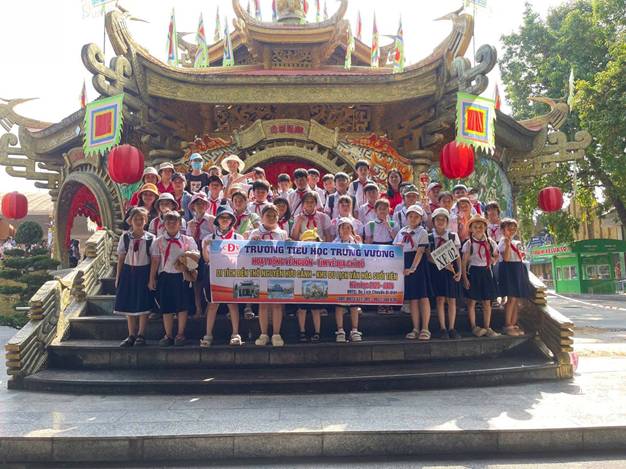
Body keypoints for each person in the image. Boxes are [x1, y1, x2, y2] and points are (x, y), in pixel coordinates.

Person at [148, 211, 200, 347]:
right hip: (165, 276)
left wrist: (186, 262)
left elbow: (195, 257)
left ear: (179, 224)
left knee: (182, 306)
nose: (171, 224)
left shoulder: (187, 240)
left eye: (174, 222)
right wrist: (152, 278)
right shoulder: (158, 241)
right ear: (164, 224)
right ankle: (168, 334)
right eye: (168, 222)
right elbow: (155, 261)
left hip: (182, 277)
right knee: (166, 307)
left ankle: (180, 334)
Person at [201, 206, 245, 347]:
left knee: (232, 304)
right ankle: (208, 335)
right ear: (217, 220)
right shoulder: (209, 238)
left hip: (232, 275)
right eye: (222, 217)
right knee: (213, 304)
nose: (225, 220)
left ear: (232, 220)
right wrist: (205, 247)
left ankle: (235, 334)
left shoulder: (238, 238)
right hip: (215, 275)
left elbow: (243, 258)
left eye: (228, 218)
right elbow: (206, 259)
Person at [114, 207, 155, 347]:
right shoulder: (125, 237)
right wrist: (118, 276)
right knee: (129, 303)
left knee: (143, 303)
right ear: (130, 221)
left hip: (144, 272)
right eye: (136, 219)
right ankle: (131, 334)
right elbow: (121, 258)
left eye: (141, 219)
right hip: (128, 272)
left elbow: (153, 259)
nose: (138, 221)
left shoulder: (151, 238)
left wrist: (151, 278)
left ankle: (141, 334)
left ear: (146, 221)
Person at [249, 205, 289, 347]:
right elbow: (246, 253)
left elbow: (288, 255)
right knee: (263, 304)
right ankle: (264, 334)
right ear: (262, 217)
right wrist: (251, 243)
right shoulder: (255, 233)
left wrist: (290, 246)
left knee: (277, 304)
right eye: (268, 215)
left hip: (278, 271)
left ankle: (276, 334)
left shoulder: (283, 233)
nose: (271, 218)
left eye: (274, 215)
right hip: (260, 272)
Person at [394, 205, 432, 341]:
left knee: (423, 297)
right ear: (406, 218)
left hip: (418, 265)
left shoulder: (422, 232)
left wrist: (413, 268)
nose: (413, 219)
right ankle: (415, 328)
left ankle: (425, 328)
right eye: (410, 216)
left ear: (421, 219)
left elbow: (420, 251)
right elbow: (395, 249)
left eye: (416, 216)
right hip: (405, 264)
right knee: (413, 299)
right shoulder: (402, 231)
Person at [462, 215, 500, 338]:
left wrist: (492, 258)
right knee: (472, 302)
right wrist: (465, 278)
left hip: (486, 272)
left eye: (481, 226)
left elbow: (496, 256)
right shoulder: (469, 243)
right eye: (475, 227)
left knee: (487, 302)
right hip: (474, 272)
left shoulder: (490, 242)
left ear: (485, 228)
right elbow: (464, 262)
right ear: (471, 229)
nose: (478, 229)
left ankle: (487, 327)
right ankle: (474, 326)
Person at [428, 208, 462, 339]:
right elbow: (428, 257)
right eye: (438, 219)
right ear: (433, 221)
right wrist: (442, 263)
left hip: (451, 271)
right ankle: (443, 328)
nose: (440, 221)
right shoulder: (429, 237)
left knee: (452, 299)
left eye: (443, 219)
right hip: (436, 271)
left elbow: (457, 255)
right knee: (440, 299)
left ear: (447, 222)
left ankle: (452, 328)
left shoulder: (453, 236)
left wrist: (459, 271)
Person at [498, 218, 532, 336]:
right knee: (511, 298)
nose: (512, 230)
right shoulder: (503, 242)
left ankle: (513, 323)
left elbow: (521, 257)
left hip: (518, 268)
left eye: (514, 228)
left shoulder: (517, 242)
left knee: (517, 299)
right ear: (503, 230)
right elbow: (506, 258)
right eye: (509, 228)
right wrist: (508, 244)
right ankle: (507, 325)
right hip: (509, 269)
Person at [333, 218, 363, 343]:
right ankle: (340, 330)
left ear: (352, 230)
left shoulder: (357, 243)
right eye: (343, 227)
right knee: (339, 306)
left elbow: (364, 258)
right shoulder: (333, 244)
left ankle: (354, 330)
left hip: (353, 278)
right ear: (338, 230)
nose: (345, 230)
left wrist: (360, 245)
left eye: (348, 228)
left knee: (354, 305)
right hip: (339, 279)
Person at [186, 192, 215, 319]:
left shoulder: (212, 220)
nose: (200, 205)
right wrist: (192, 232)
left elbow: (217, 235)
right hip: (195, 250)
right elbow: (189, 240)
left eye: (203, 203)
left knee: (208, 279)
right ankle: (198, 307)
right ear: (193, 206)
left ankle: (209, 306)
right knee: (196, 280)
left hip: (208, 250)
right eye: (197, 203)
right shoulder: (190, 223)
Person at [296, 229, 324, 343]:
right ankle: (302, 331)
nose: (310, 245)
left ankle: (317, 332)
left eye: (313, 242)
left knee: (316, 309)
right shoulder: (298, 255)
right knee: (302, 309)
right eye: (308, 242)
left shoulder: (321, 255)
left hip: (317, 283)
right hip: (302, 282)